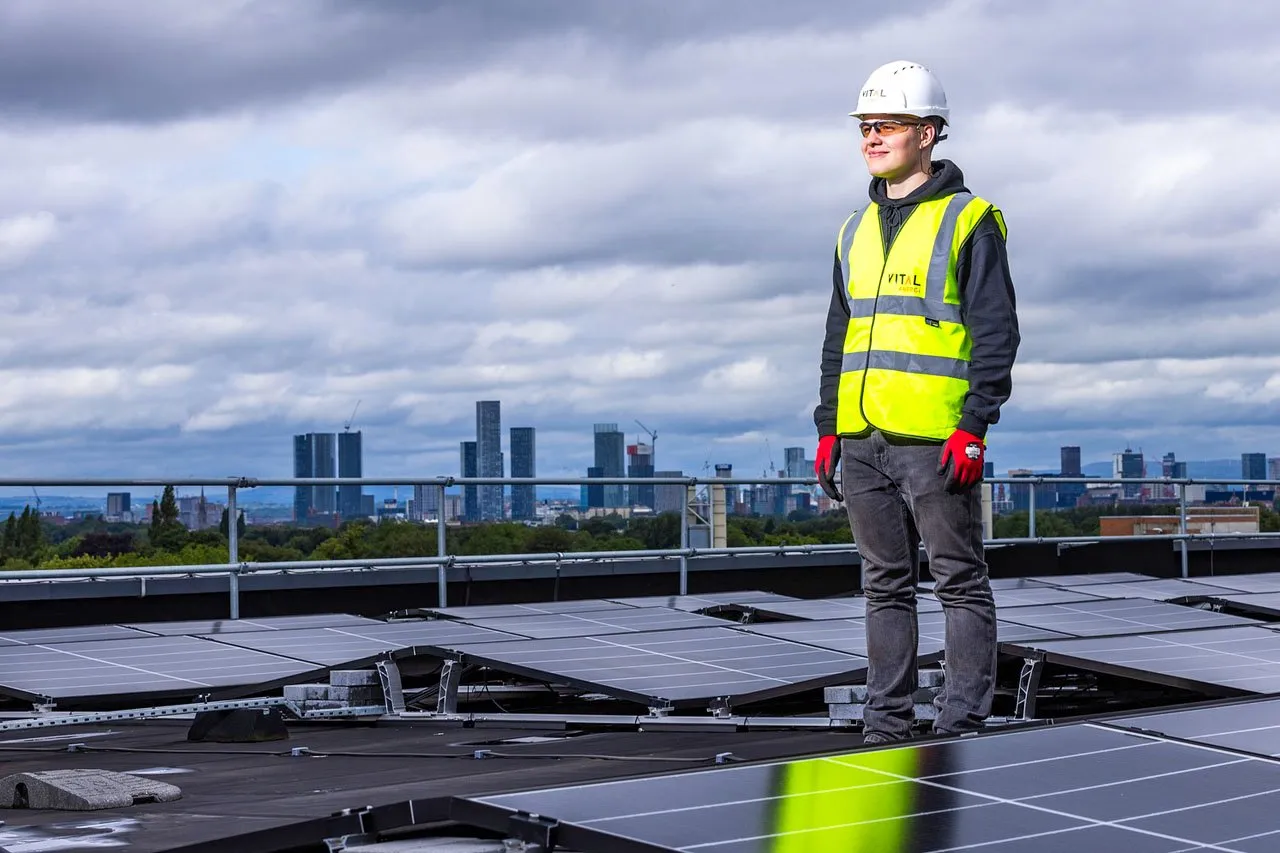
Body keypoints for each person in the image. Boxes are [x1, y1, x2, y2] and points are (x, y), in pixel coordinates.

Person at [812, 60, 1020, 744]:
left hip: (935, 439)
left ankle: (961, 724)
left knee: (958, 580)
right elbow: (839, 334)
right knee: (884, 586)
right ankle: (885, 725)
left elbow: (997, 330)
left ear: (927, 133)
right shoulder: (853, 230)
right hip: (861, 438)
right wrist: (827, 426)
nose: (872, 138)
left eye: (888, 125)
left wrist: (974, 424)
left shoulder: (969, 220)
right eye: (866, 127)